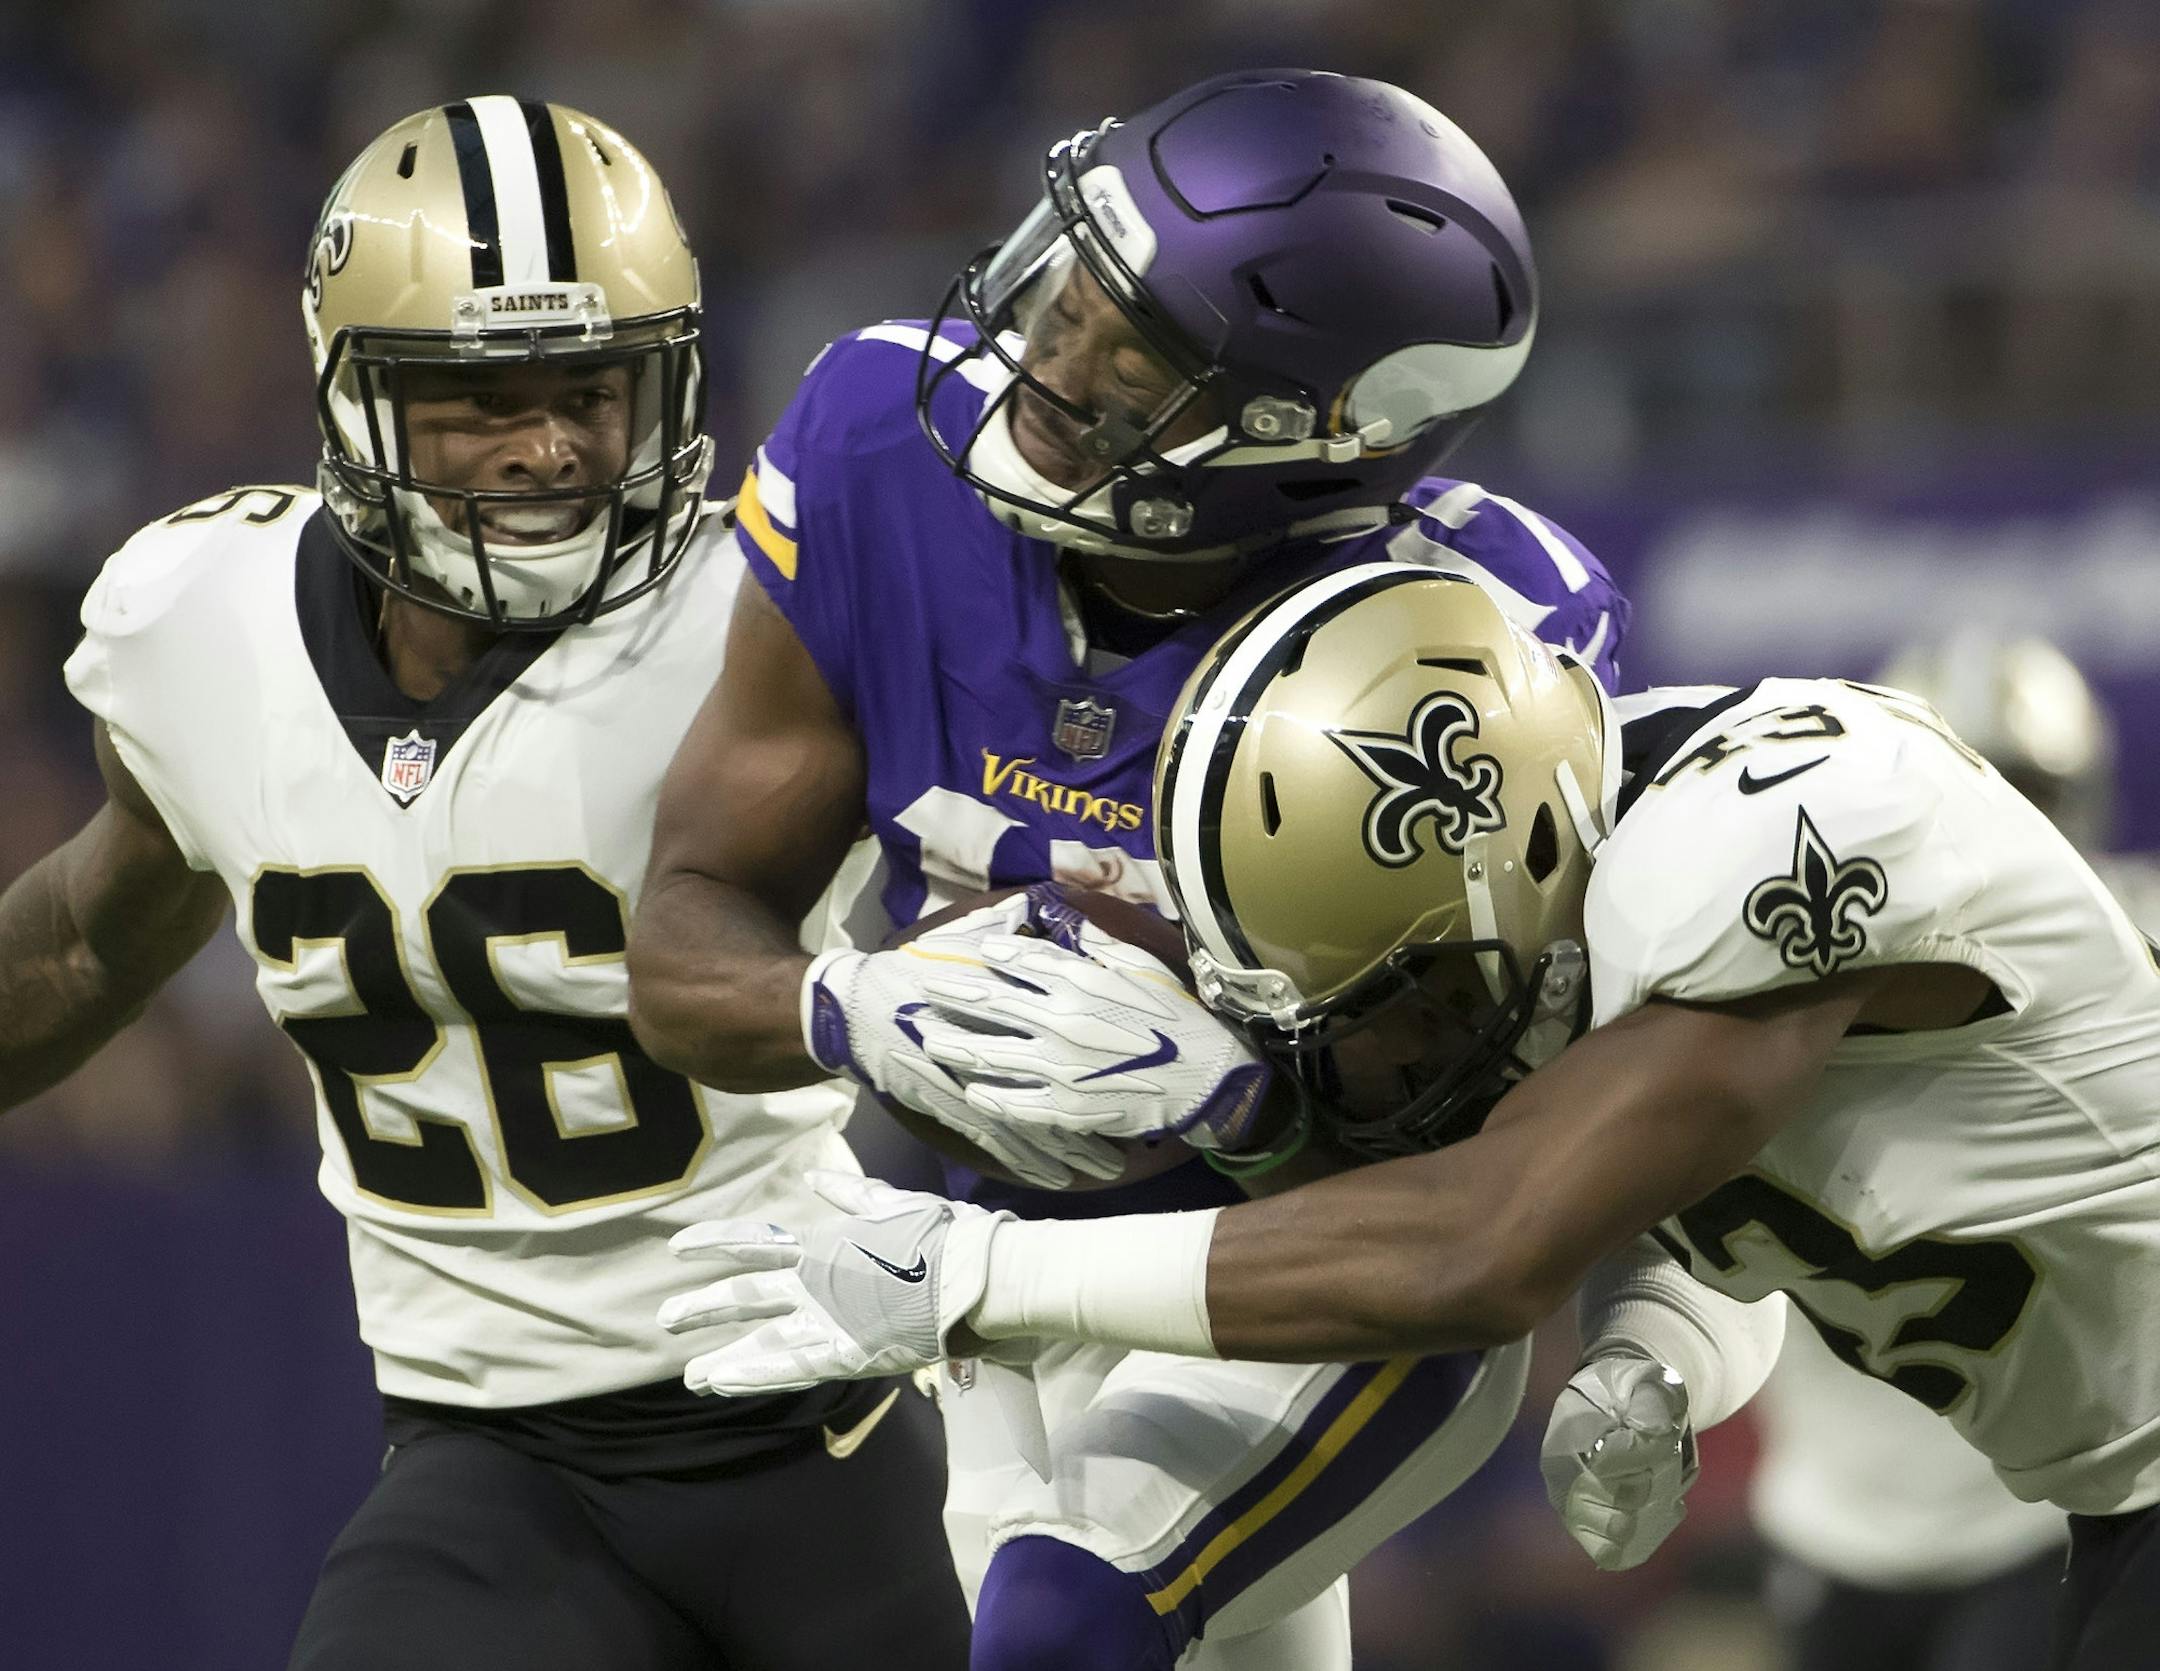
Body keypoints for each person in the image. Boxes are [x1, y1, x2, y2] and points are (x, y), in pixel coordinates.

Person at [628, 68, 1780, 1671]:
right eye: (1076, 278)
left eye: (1137, 353)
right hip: (958, 1252)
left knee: (1060, 1631)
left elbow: (1571, 1138)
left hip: (1307, 1284)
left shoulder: (1455, 654)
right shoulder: (880, 439)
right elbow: (685, 931)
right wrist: (852, 1011)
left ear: (1318, 433)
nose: (1053, 350)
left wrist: (1245, 1106)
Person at [660, 567, 2160, 1671]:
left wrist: (982, 1276)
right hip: (2112, 1499)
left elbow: (1486, 1244)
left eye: (1394, 1000)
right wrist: (1652, 1355)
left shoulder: (1780, 824)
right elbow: (1714, 1187)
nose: (1373, 1059)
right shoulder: (1582, 883)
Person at [0, 100, 968, 1669]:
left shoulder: (764, 622)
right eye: (478, 402)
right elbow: (87, 935)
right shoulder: (204, 621)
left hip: (820, 1420)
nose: (549, 445)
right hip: (487, 1458)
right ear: (352, 399)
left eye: (594, 388)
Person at [1746, 629, 2148, 1671]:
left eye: (2028, 797)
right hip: (1835, 1511)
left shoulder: (2130, 964)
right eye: (1968, 799)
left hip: (2047, 1515)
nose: (1999, 840)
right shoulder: (1771, 983)